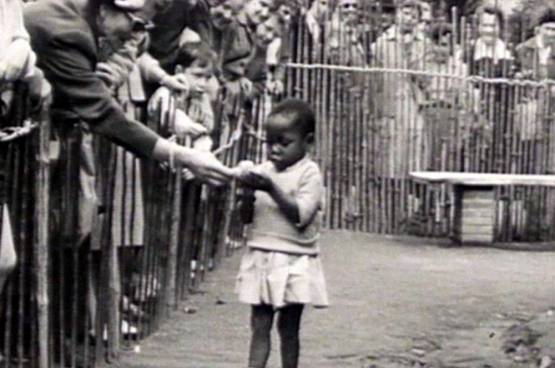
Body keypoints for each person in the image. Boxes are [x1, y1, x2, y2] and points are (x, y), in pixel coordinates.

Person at [23, 0, 232, 182]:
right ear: (105, 9)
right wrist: (182, 156)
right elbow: (104, 114)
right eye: (135, 24)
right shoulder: (68, 34)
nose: (136, 36)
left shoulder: (78, 18)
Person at [234, 98, 328, 368]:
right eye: (269, 142)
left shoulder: (309, 173)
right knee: (259, 324)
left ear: (307, 142)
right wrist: (247, 194)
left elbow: (301, 216)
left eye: (283, 143)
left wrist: (270, 188)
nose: (274, 149)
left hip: (294, 258)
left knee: (288, 328)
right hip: (262, 255)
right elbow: (245, 219)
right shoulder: (263, 171)